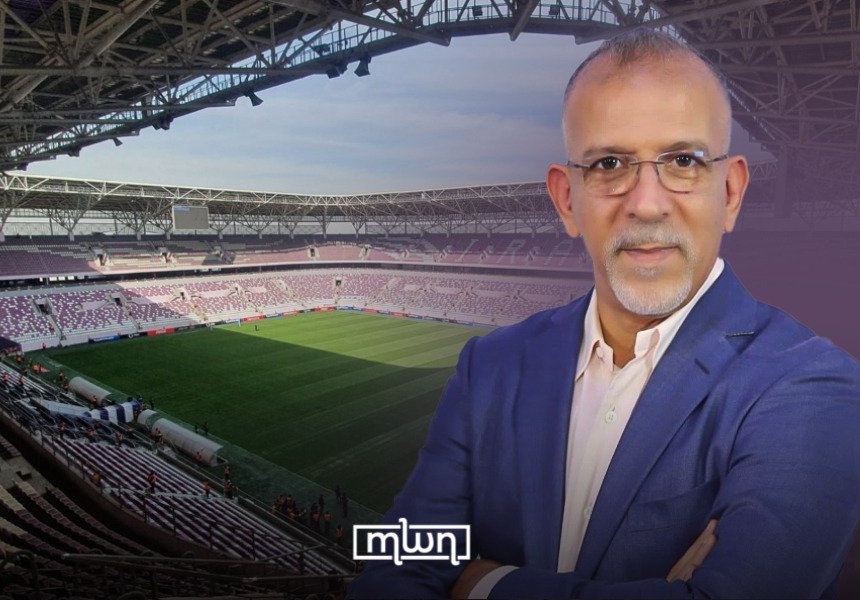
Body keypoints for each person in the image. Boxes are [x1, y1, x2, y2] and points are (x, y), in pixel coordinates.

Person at [349, 30, 860, 599]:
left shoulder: (812, 385)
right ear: (566, 199)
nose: (647, 203)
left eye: (684, 161)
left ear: (732, 192)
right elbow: (396, 561)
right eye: (609, 163)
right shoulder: (488, 364)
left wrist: (480, 582)